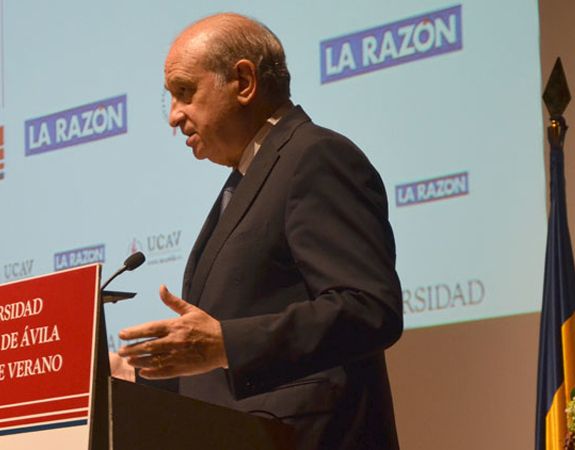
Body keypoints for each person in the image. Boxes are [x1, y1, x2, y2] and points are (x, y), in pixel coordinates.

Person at [113, 13, 403, 450]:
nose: (174, 116)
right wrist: (132, 374)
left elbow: (368, 309)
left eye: (185, 92)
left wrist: (224, 343)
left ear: (244, 82)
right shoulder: (245, 179)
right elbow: (230, 369)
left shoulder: (316, 157)